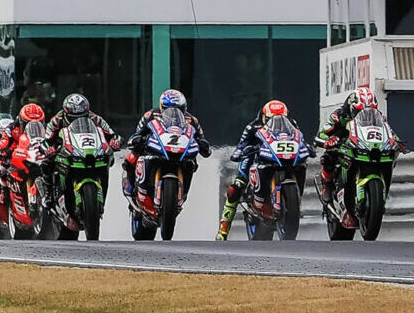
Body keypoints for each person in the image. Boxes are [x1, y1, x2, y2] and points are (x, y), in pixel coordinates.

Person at [220, 101, 305, 241]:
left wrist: (306, 147)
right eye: (271, 118)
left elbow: (299, 138)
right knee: (237, 186)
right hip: (257, 157)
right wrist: (241, 151)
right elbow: (242, 144)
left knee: (301, 165)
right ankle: (223, 231)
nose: (276, 121)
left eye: (281, 118)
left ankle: (294, 198)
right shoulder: (252, 127)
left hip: (282, 156)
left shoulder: (292, 124)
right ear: (264, 116)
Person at [121, 89, 210, 205]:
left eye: (178, 109)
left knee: (192, 163)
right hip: (156, 148)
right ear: (162, 107)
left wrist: (202, 144)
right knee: (131, 157)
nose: (173, 113)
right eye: (168, 109)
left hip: (181, 152)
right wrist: (138, 139)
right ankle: (131, 188)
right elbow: (138, 133)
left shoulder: (192, 120)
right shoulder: (150, 115)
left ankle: (181, 193)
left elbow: (201, 138)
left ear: (184, 108)